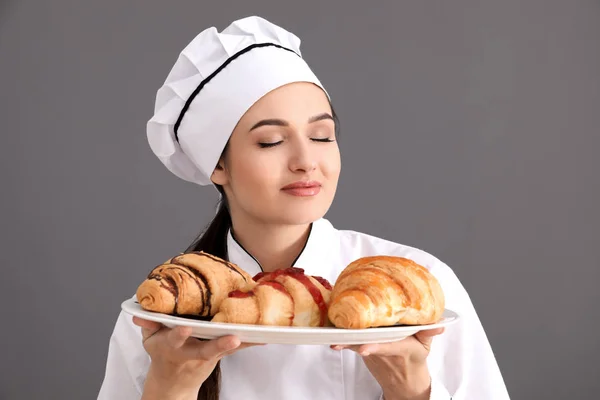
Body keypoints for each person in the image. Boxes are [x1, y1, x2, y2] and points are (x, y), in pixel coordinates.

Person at [97, 15, 510, 400]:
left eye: (322, 135)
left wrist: (413, 390)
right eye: (271, 141)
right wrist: (169, 388)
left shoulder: (420, 290)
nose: (306, 161)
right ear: (217, 165)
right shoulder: (162, 316)